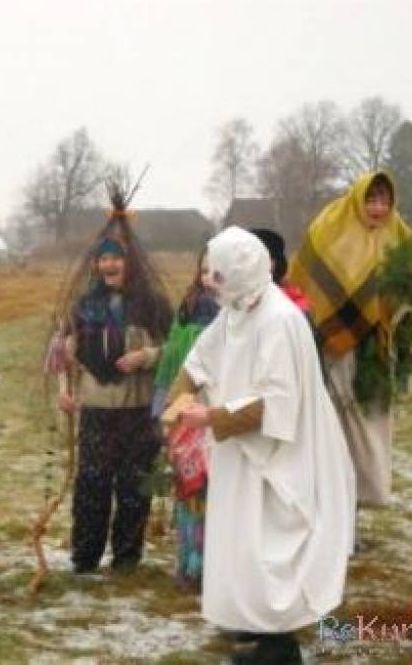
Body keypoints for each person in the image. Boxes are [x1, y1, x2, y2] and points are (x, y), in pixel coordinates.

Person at [168, 226, 355, 664]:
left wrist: (210, 417)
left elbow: (277, 405)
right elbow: (200, 359)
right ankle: (250, 625)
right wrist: (180, 400)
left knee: (272, 543)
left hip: (279, 456)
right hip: (239, 451)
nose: (214, 288)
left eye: (219, 277)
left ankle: (277, 641)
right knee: (240, 542)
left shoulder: (280, 319)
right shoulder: (236, 308)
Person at [55, 174, 173, 574]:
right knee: (91, 485)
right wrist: (64, 389)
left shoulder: (152, 305)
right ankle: (85, 556)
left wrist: (147, 357)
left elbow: (178, 352)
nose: (110, 264)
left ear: (130, 263)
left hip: (138, 413)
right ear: (96, 265)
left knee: (133, 488)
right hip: (97, 413)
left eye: (117, 257)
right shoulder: (84, 307)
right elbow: (63, 354)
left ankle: (126, 557)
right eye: (104, 258)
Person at [287, 171, 412, 509]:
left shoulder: (400, 236)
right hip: (332, 350)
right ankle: (331, 504)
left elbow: (410, 288)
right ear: (358, 199)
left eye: (384, 201)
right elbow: (308, 283)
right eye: (371, 200)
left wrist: (400, 307)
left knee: (369, 424)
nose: (378, 208)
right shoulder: (330, 226)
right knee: (332, 423)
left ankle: (361, 499)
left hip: (374, 350)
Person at [152, 249, 219, 590]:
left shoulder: (235, 314)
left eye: (216, 271)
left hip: (219, 412)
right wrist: (165, 401)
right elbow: (175, 355)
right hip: (188, 407)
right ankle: (192, 561)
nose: (209, 279)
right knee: (191, 488)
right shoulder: (191, 306)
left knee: (213, 490)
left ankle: (213, 564)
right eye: (204, 271)